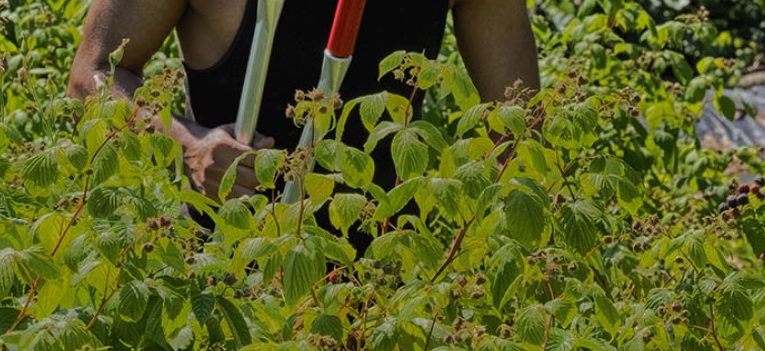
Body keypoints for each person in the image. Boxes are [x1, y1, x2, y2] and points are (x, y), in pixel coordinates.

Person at [69, 0, 539, 210]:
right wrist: (188, 145)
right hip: (221, 278)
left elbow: (521, 133)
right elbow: (92, 74)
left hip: (381, 294)